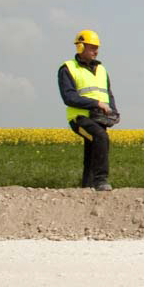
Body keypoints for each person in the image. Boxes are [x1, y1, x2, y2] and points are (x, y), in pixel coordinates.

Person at [58, 29, 119, 191]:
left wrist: (113, 111)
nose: (96, 51)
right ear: (80, 47)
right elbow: (69, 97)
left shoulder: (102, 70)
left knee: (93, 148)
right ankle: (101, 180)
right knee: (100, 137)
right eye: (92, 47)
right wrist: (96, 103)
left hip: (99, 118)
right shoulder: (68, 69)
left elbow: (108, 94)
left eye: (97, 47)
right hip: (80, 119)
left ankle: (87, 186)